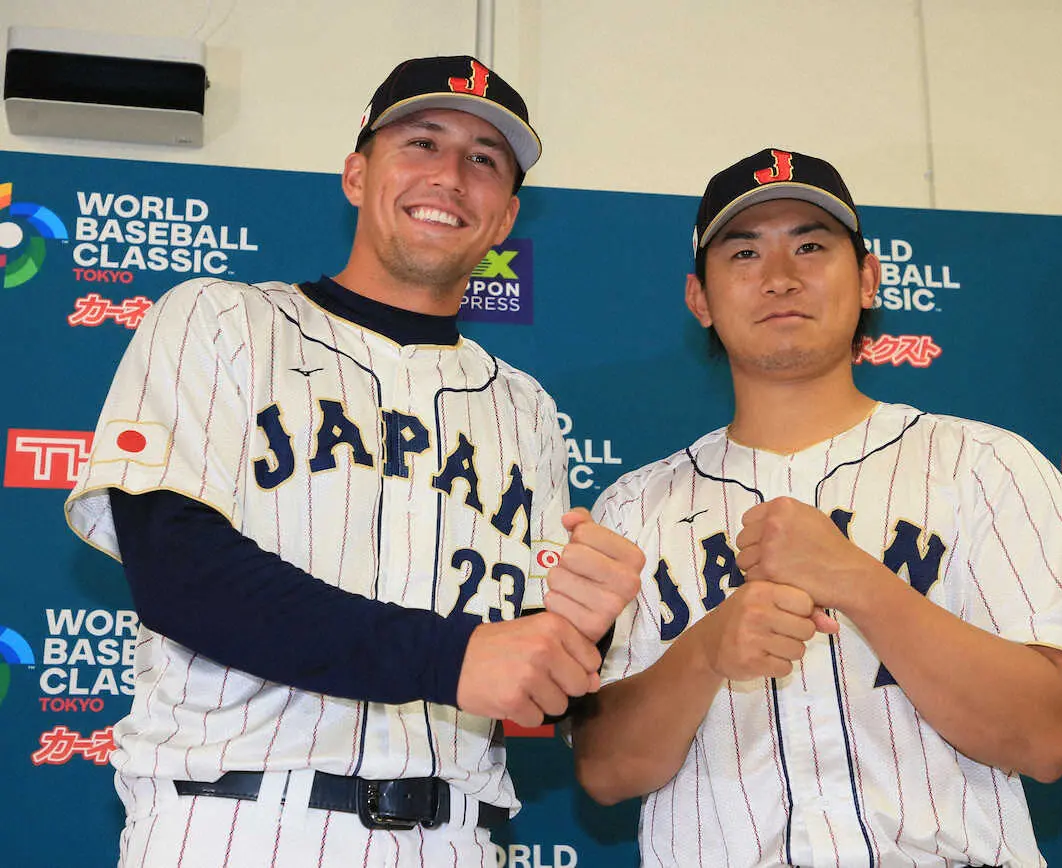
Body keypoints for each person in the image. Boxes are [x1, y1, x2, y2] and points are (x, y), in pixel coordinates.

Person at [65, 55, 642, 868]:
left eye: (484, 160)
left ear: (506, 218)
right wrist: (452, 658)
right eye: (422, 142)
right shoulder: (220, 319)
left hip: (457, 837)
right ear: (356, 172)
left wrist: (587, 629)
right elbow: (179, 572)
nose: (449, 175)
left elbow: (529, 679)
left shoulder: (527, 410)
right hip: (243, 823)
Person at [571, 148, 1062, 867]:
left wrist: (859, 581)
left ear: (869, 278)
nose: (780, 277)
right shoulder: (633, 506)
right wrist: (707, 652)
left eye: (811, 245)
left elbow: (1047, 741)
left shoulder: (988, 466)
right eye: (744, 252)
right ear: (700, 299)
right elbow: (604, 771)